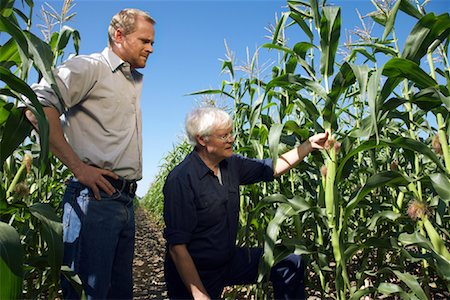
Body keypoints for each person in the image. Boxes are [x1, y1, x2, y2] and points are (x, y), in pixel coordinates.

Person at [24, 8, 156, 299]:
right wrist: (78, 168)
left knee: (117, 292)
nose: (150, 48)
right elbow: (36, 105)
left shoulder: (129, 80)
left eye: (152, 43)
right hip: (94, 200)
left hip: (124, 201)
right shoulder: (90, 67)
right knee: (87, 292)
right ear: (119, 36)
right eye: (145, 41)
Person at [163, 106, 329, 299]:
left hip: (227, 260)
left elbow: (270, 168)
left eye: (230, 133)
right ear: (202, 139)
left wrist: (308, 145)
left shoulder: (231, 165)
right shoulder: (181, 179)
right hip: (194, 272)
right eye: (223, 136)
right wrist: (199, 295)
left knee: (288, 261)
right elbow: (177, 248)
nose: (231, 139)